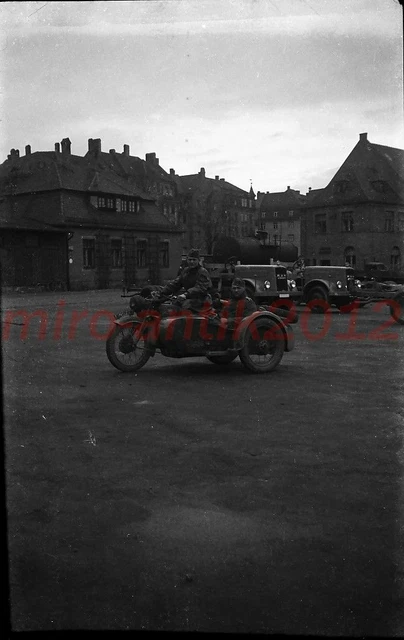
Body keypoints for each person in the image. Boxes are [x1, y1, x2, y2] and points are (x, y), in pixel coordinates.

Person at [160, 248, 213, 313]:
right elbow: (175, 284)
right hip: (189, 298)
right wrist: (161, 292)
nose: (192, 262)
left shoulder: (202, 272)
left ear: (198, 260)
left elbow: (199, 288)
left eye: (194, 260)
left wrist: (185, 295)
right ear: (187, 260)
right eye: (190, 259)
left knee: (184, 306)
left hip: (202, 300)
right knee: (171, 306)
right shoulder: (186, 271)